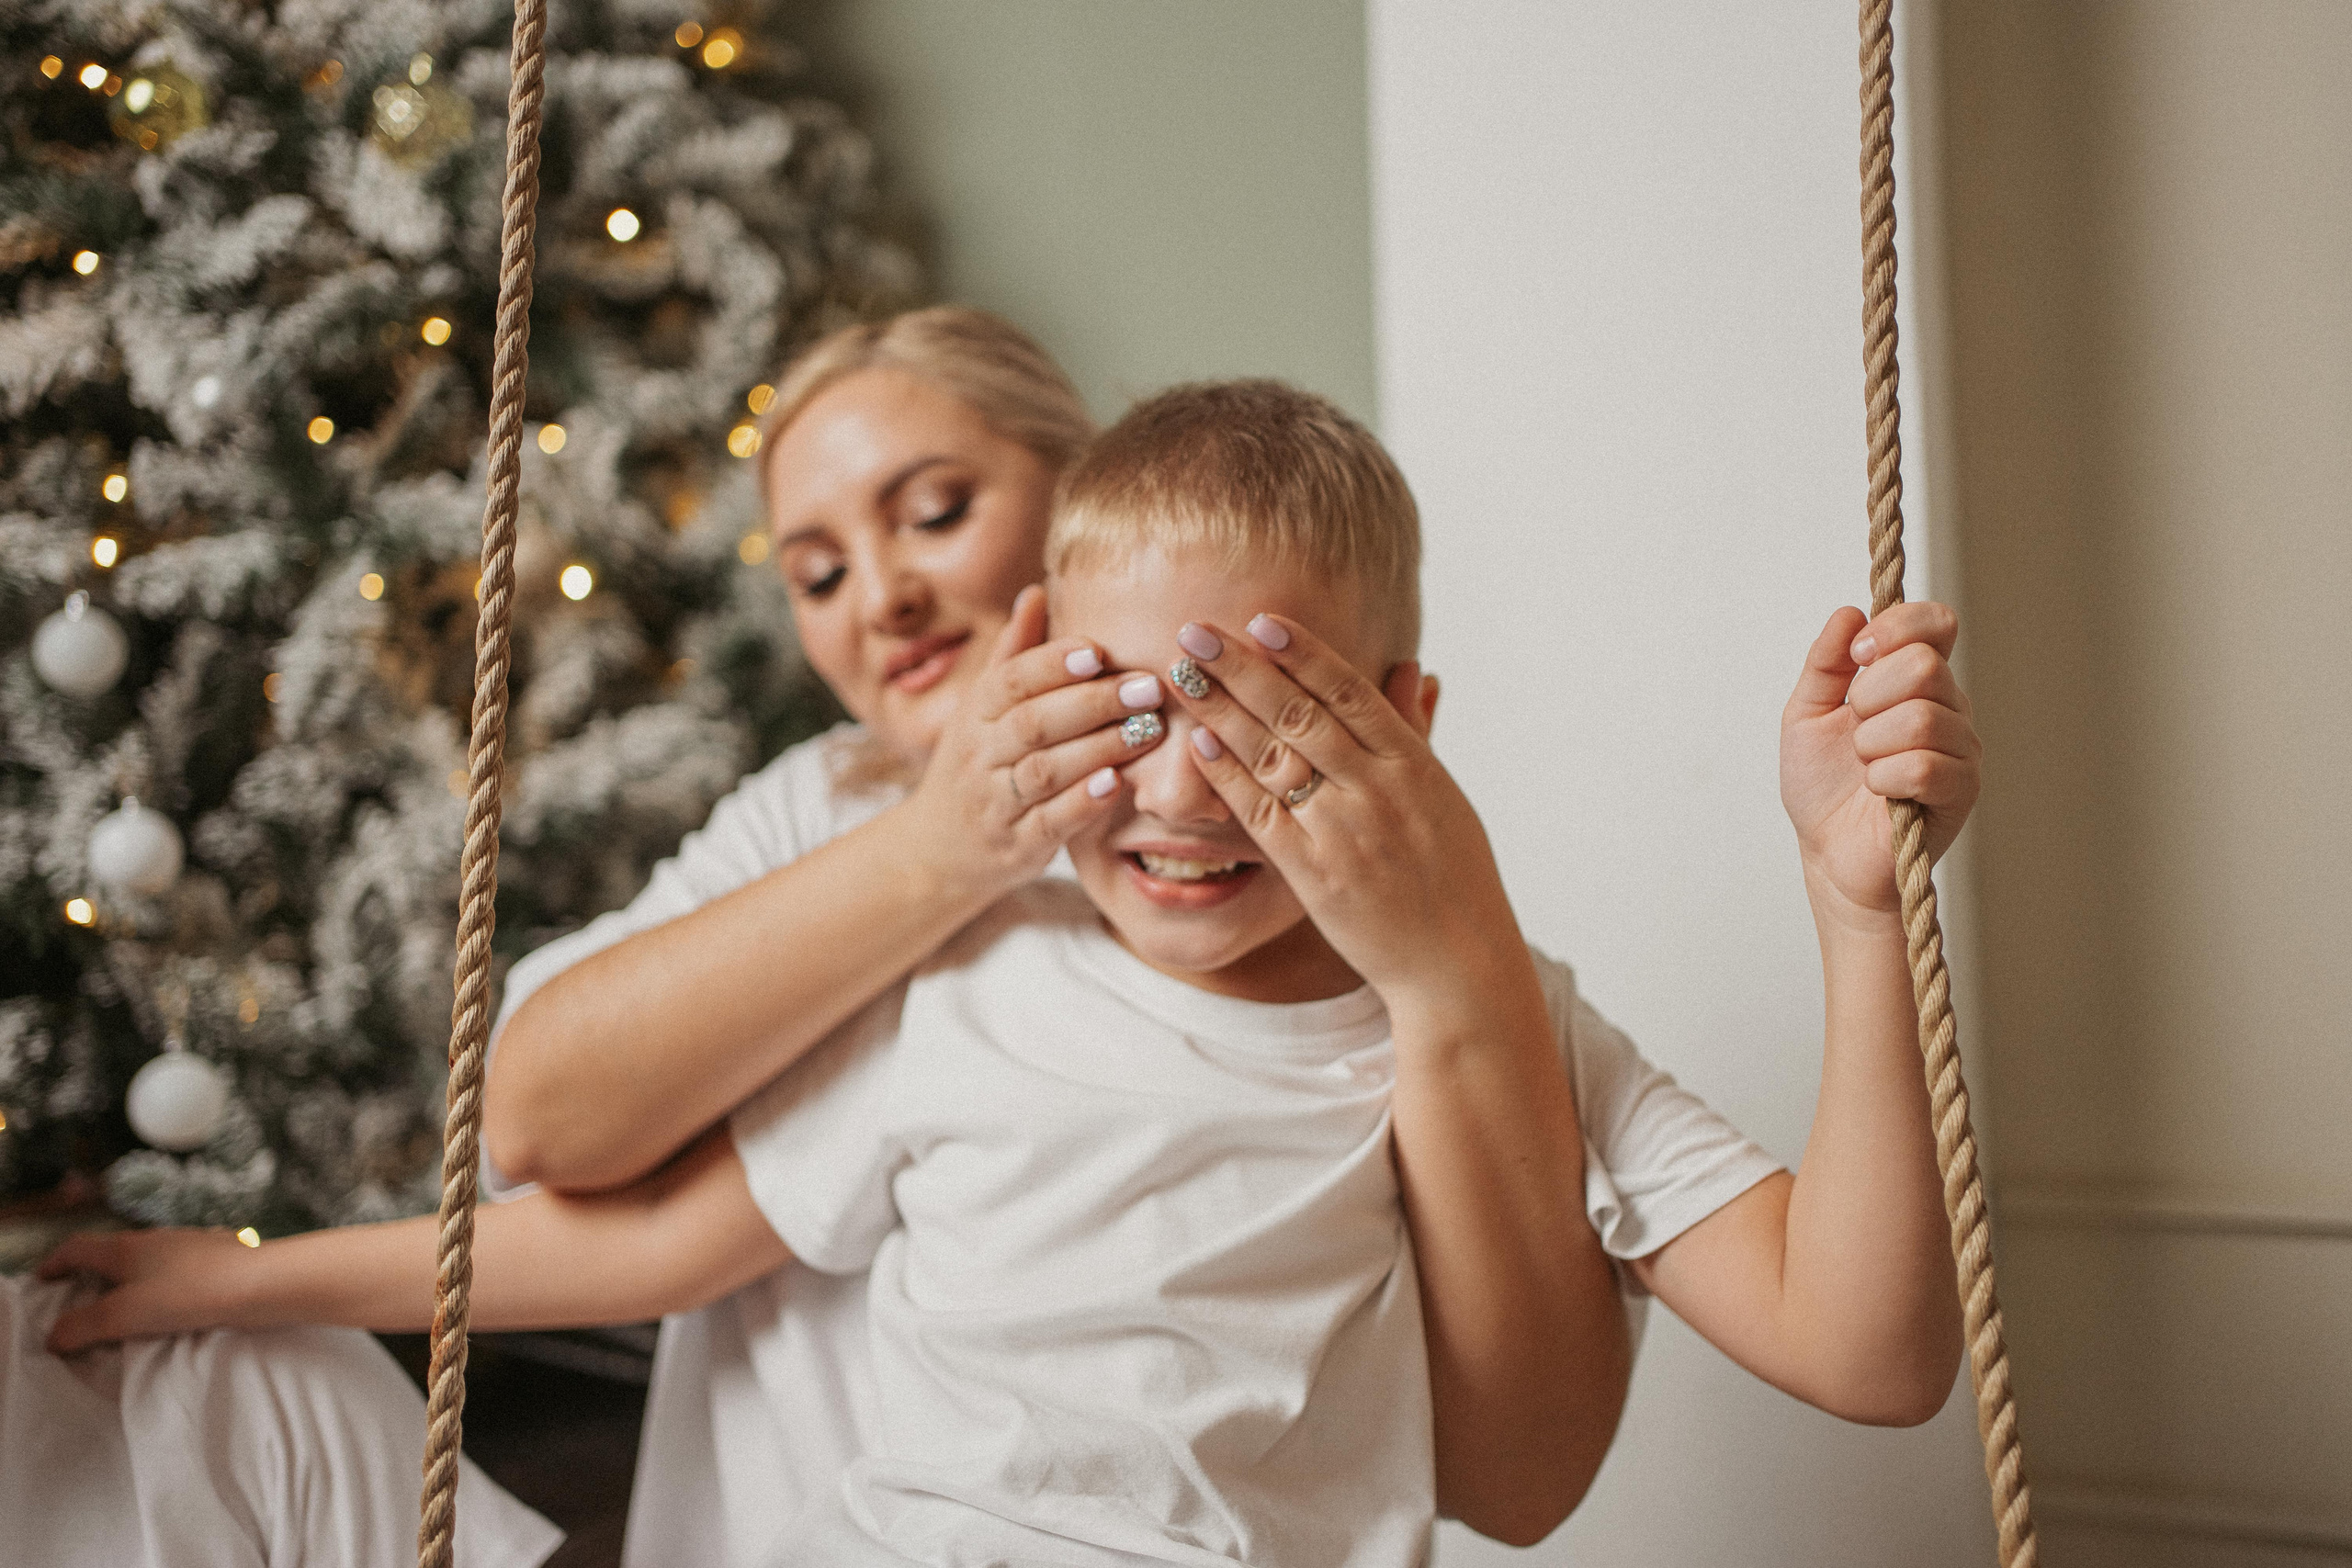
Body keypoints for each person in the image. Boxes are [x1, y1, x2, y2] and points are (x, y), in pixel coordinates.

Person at [40, 376, 1979, 1564]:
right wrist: (248, 1273)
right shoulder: (978, 961)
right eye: (1123, 702)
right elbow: (646, 1238)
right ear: (1043, 668)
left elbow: (1868, 1348)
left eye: (1256, 710)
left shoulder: (1513, 1020)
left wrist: (1854, 906)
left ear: (1402, 717)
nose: (1169, 786)